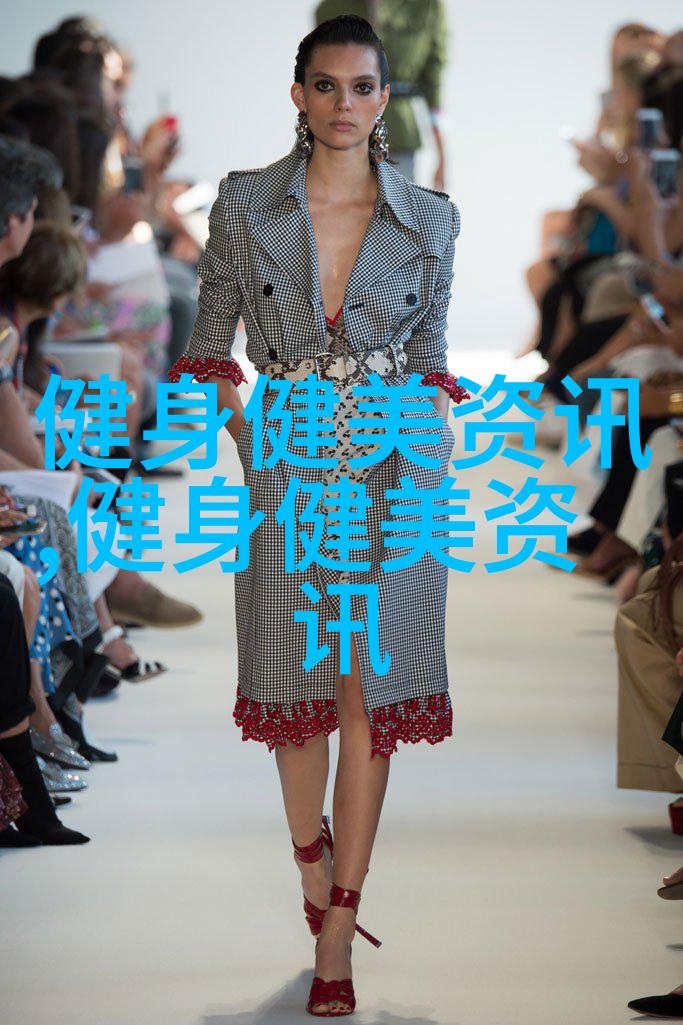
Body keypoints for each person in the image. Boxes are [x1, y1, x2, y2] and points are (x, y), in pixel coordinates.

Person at [168, 15, 466, 1016]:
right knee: (294, 683)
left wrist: (431, 434)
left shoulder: (429, 218)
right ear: (298, 94)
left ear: (385, 99)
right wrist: (238, 427)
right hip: (287, 457)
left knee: (365, 689)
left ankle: (340, 917)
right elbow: (211, 335)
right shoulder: (245, 203)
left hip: (393, 462)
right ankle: (309, 858)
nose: (346, 104)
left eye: (363, 87)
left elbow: (429, 354)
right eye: (327, 85)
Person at [314, 0, 448, 186]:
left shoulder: (427, 6)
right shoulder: (330, 8)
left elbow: (433, 79)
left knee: (399, 200)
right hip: (343, 133)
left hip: (400, 132)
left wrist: (441, 154)